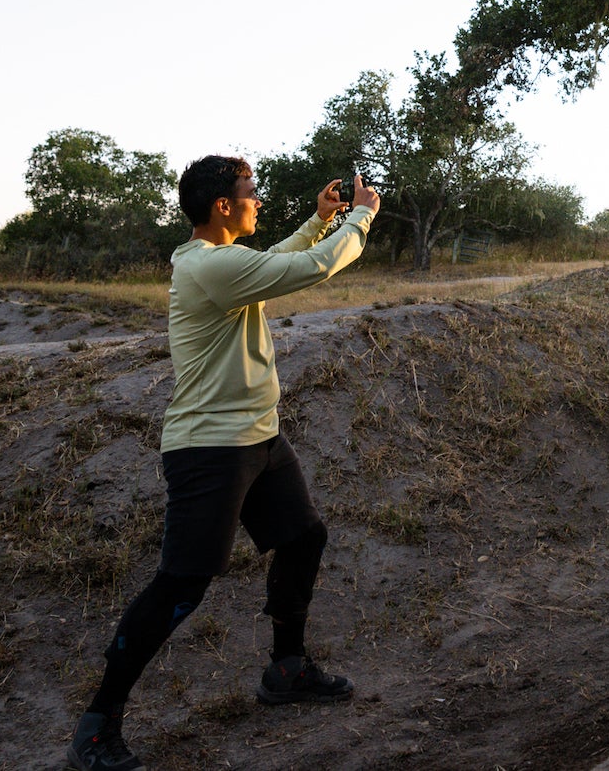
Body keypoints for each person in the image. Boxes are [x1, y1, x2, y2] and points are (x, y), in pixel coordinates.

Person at [67, 156, 381, 771]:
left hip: (257, 438)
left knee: (303, 537)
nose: (257, 200)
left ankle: (286, 670)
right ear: (222, 205)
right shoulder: (210, 265)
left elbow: (276, 263)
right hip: (210, 449)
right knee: (182, 584)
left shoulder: (221, 261)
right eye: (250, 191)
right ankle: (98, 724)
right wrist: (359, 221)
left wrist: (320, 220)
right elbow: (307, 269)